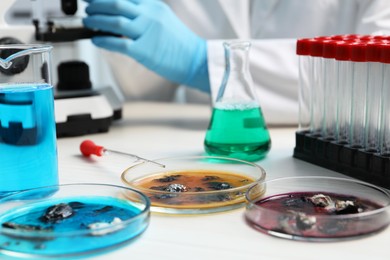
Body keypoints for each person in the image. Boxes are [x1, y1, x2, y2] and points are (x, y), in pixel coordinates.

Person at [82, 0, 390, 125]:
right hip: (197, 150)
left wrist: (202, 62)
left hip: (315, 155)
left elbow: (378, 78)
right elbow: (143, 93)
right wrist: (125, 22)